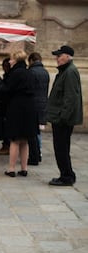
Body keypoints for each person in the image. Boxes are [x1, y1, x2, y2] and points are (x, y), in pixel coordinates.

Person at [47, 45, 83, 186]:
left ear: (67, 56)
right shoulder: (66, 71)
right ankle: (67, 174)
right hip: (61, 117)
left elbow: (71, 97)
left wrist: (63, 117)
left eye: (59, 56)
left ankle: (66, 177)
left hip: (63, 119)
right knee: (61, 148)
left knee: (61, 148)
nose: (57, 59)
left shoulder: (70, 72)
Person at [1, 50, 38, 177]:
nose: (9, 62)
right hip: (30, 108)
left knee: (15, 139)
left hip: (17, 107)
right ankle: (24, 168)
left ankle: (11, 168)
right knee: (25, 140)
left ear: (16, 60)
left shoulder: (15, 73)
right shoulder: (30, 73)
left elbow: (6, 90)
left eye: (11, 59)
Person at [27, 52, 50, 165]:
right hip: (43, 103)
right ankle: (39, 152)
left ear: (31, 60)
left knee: (33, 131)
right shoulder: (45, 72)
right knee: (39, 130)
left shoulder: (31, 72)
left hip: (34, 104)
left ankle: (35, 153)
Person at [0, 57, 11, 155]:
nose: (4, 68)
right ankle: (6, 145)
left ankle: (7, 145)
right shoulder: (7, 76)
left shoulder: (10, 77)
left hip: (8, 105)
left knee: (7, 126)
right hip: (6, 104)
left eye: (6, 66)